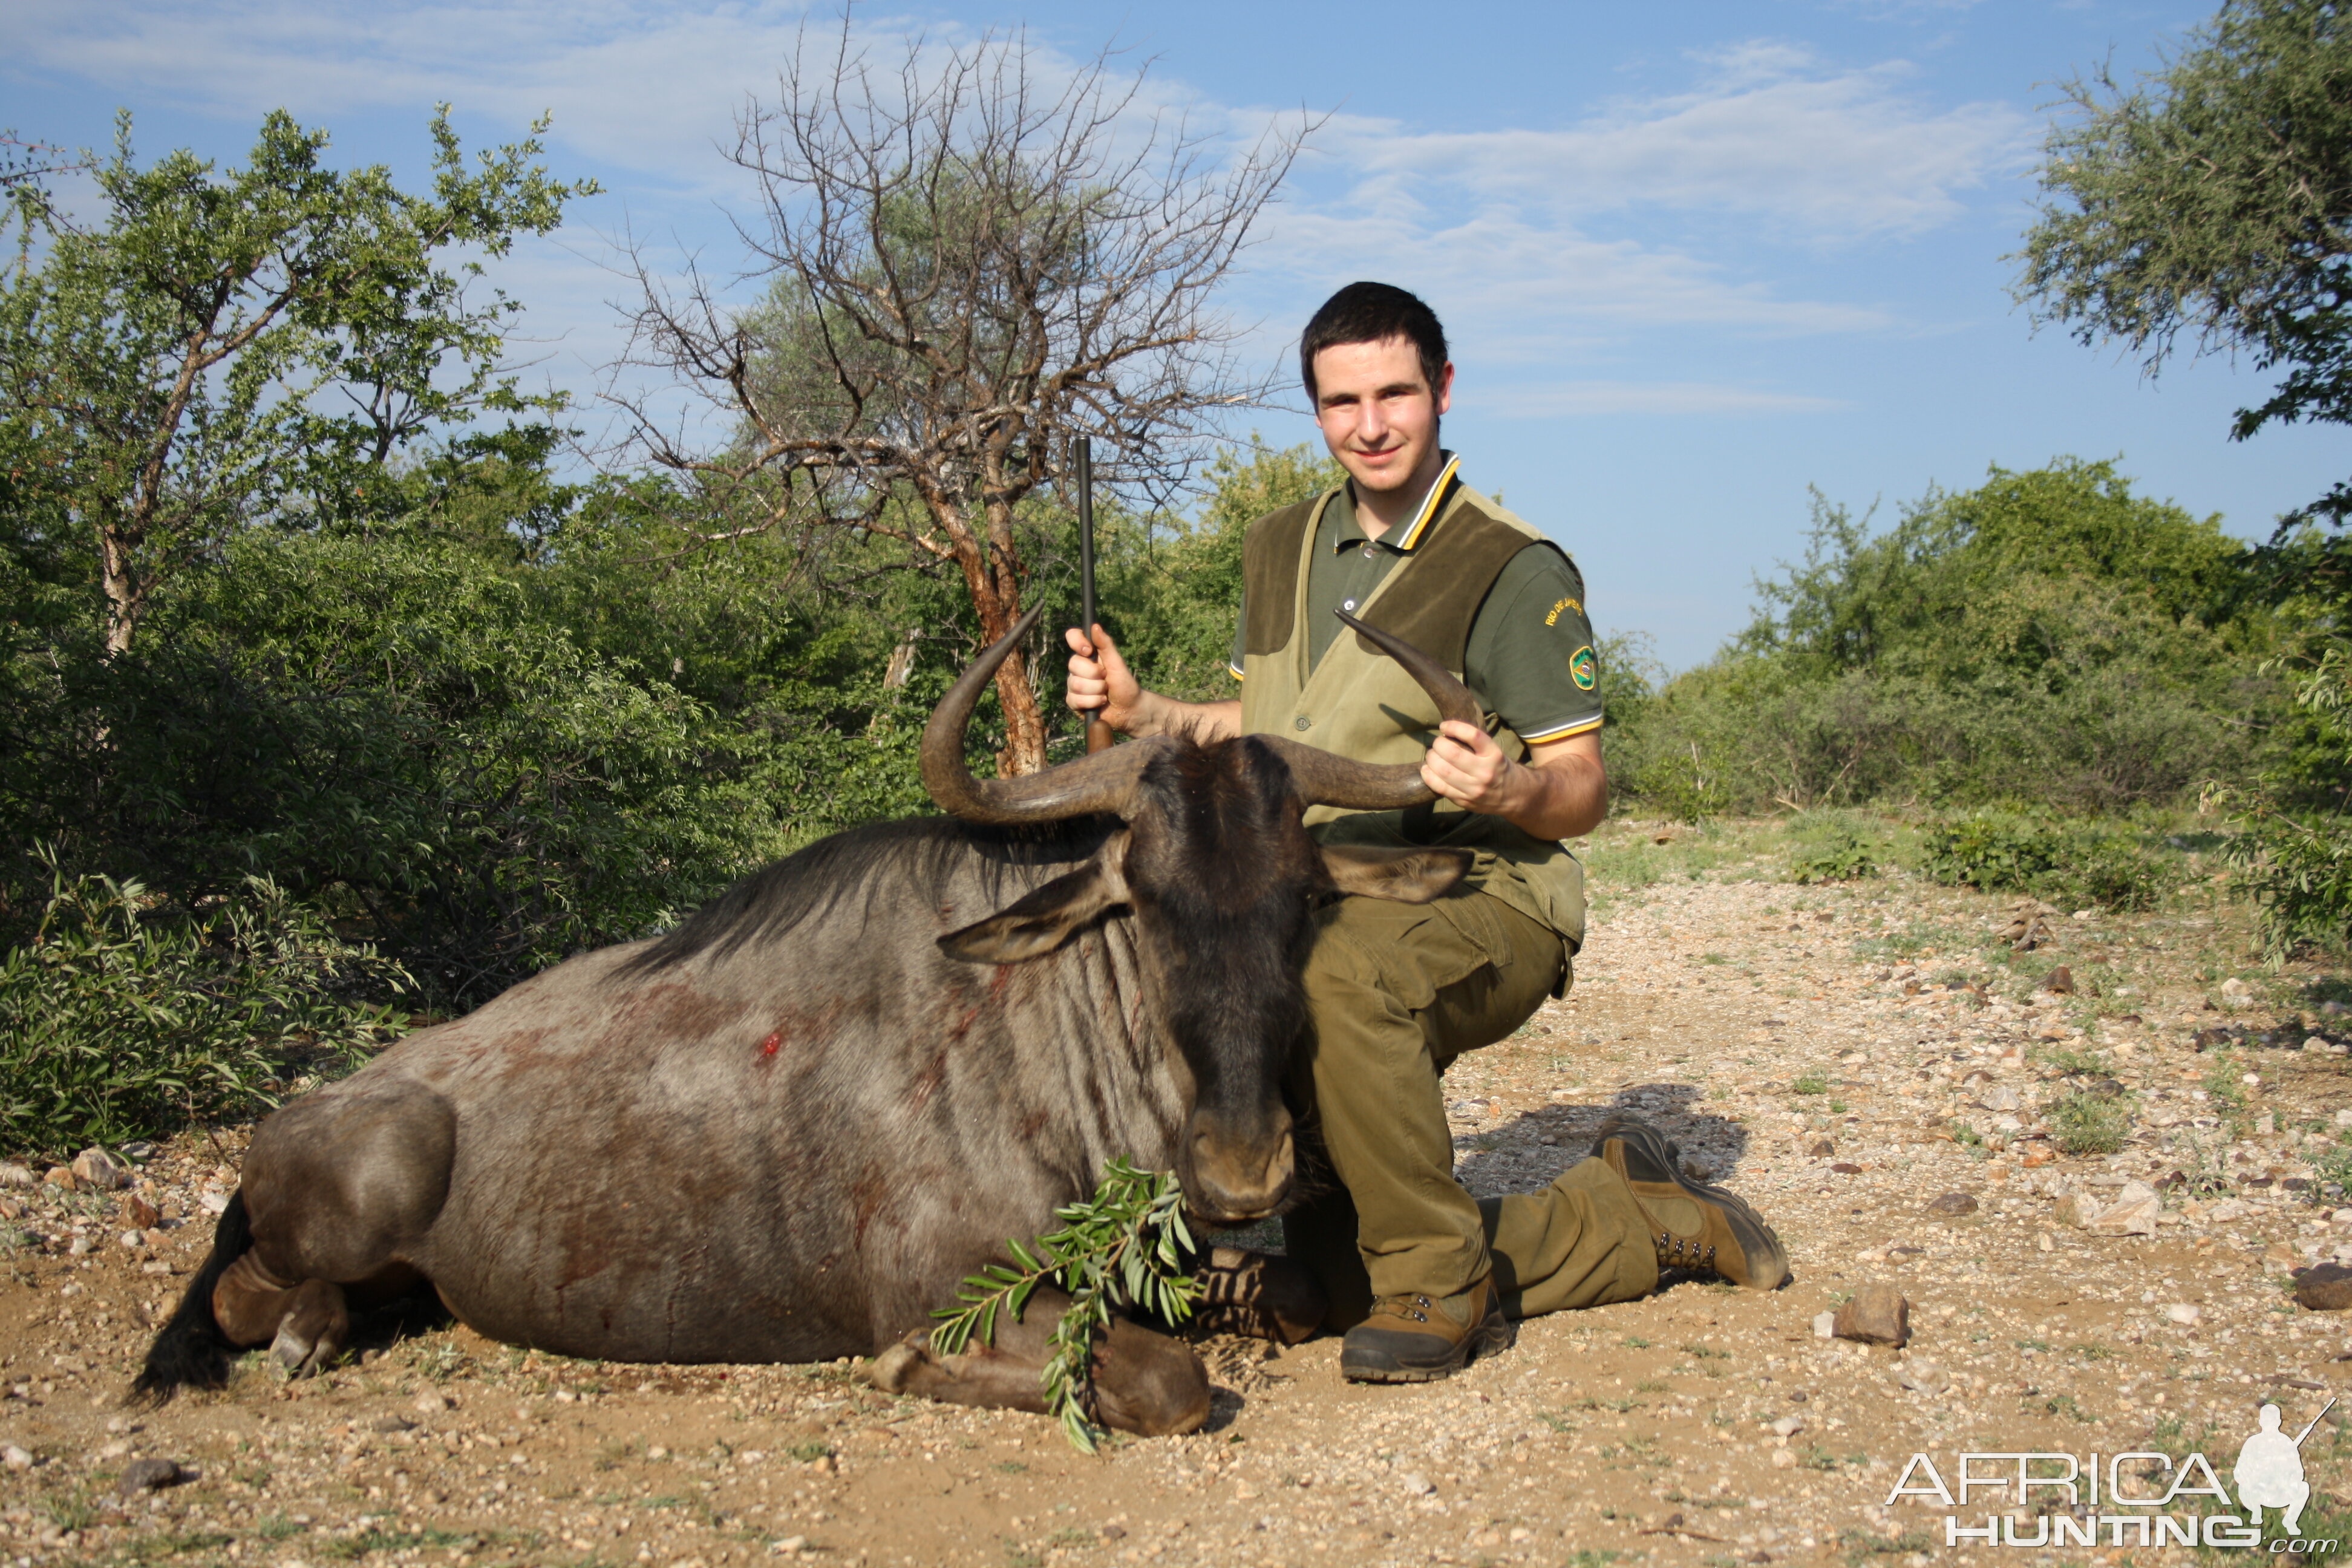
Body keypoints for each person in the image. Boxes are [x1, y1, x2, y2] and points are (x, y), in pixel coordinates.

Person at [1066, 281, 1785, 1383]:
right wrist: (1141, 711)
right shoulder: (1280, 546)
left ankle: (1442, 1279)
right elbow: (1278, 734)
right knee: (1317, 1277)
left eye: (1396, 392)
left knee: (1332, 978)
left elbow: (1584, 786)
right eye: (1342, 400)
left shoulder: (1509, 567)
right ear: (1316, 411)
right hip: (1326, 880)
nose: (1372, 423)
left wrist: (1506, 790)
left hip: (1482, 892)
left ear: (1442, 391)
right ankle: (1609, 1211)